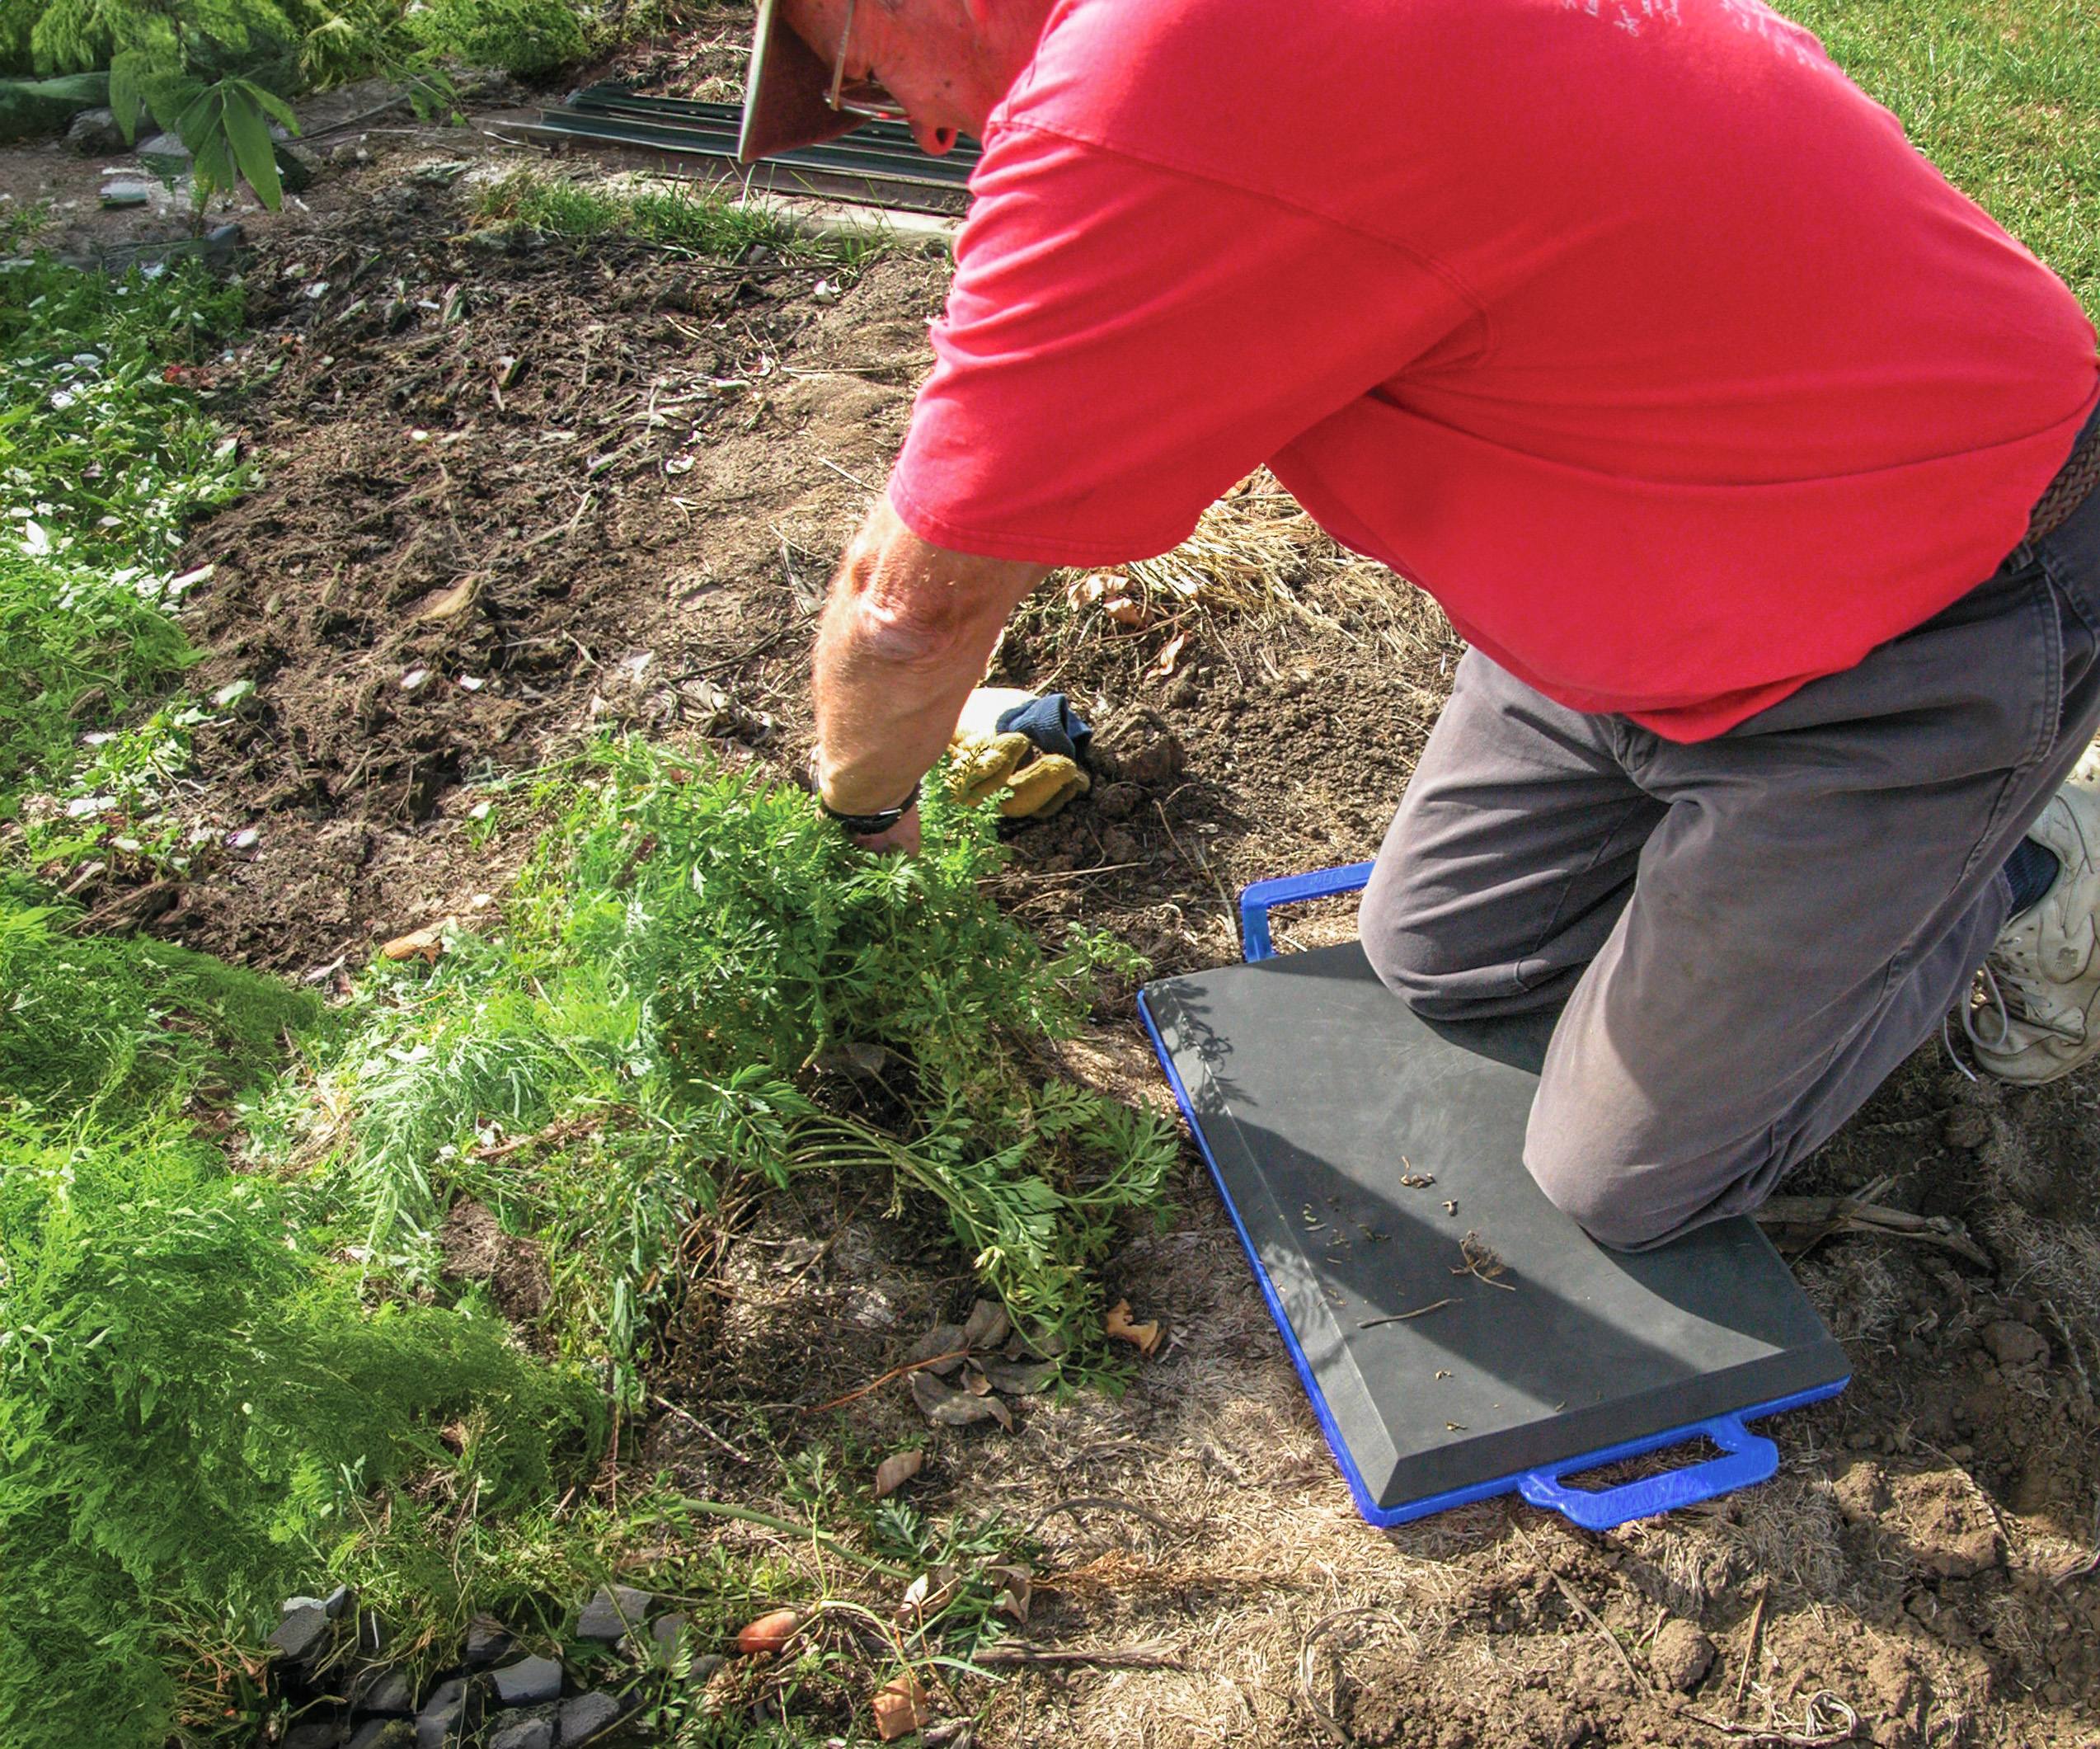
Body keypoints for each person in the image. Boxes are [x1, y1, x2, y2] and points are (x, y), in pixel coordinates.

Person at [738, 0, 2100, 1247]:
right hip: (1666, 567)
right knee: (1437, 956)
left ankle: (2017, 861)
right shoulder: (1179, 60)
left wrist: (862, 819)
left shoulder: (1139, 97)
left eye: (866, 74)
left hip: (1926, 595)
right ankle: (1783, 898)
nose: (919, 129)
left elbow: (911, 612)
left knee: (1621, 1183)